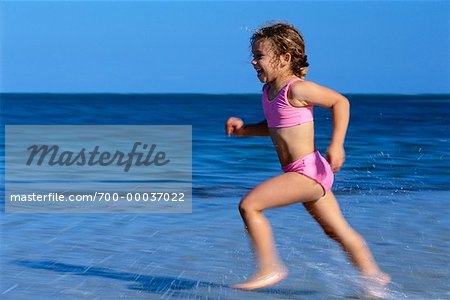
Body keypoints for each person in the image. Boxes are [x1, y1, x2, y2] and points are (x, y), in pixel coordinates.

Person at [225, 22, 390, 291]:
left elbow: (340, 102)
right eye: (253, 56)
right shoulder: (269, 93)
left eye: (260, 56)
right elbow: (275, 127)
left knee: (250, 205)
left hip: (307, 172)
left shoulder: (297, 89)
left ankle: (270, 267)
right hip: (308, 172)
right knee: (337, 231)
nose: (254, 61)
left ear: (285, 58)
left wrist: (337, 145)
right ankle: (374, 279)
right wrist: (244, 131)